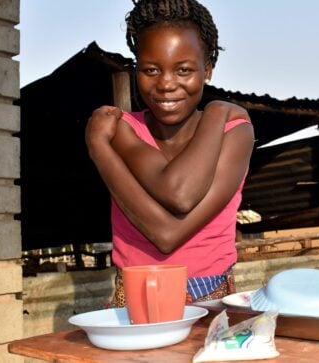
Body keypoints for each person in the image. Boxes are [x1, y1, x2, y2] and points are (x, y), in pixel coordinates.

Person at [85, 0, 255, 306]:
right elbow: (170, 216)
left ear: (208, 70)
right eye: (151, 69)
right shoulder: (123, 129)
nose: (165, 84)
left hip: (211, 295)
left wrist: (216, 112)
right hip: (134, 295)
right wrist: (98, 147)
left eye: (184, 70)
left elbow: (176, 207)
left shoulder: (234, 133)